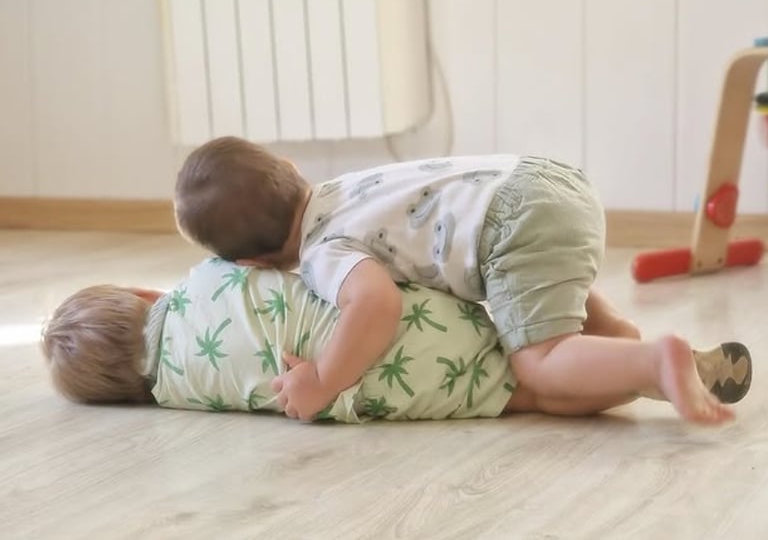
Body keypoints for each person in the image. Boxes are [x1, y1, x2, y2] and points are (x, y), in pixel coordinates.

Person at [173, 136, 746, 424]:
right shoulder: (348, 188)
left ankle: (655, 362)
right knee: (535, 299)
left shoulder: (324, 249)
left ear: (255, 266)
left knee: (539, 360)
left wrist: (324, 379)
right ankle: (624, 348)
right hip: (543, 179)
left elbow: (374, 305)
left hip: (511, 225)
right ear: (292, 170)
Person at [40, 258, 752, 422]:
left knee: (526, 390)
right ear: (142, 295)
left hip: (382, 387)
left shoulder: (175, 394)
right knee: (511, 331)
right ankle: (635, 350)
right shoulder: (204, 277)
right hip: (383, 320)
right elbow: (287, 269)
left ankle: (641, 369)